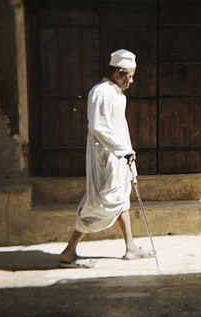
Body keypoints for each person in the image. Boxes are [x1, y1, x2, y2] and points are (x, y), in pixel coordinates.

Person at [59, 49, 155, 268]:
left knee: (121, 197)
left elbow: (120, 127)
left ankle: (130, 247)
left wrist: (128, 151)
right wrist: (122, 149)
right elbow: (99, 127)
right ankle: (69, 251)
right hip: (106, 158)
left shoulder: (117, 94)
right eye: (129, 75)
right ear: (119, 73)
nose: (132, 80)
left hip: (118, 156)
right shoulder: (101, 92)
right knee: (100, 203)